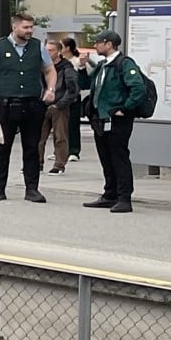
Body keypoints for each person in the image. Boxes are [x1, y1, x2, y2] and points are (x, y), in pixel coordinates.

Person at [0, 10, 56, 203]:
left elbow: (50, 70)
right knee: (3, 146)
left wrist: (51, 89)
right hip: (6, 103)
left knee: (32, 147)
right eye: (25, 27)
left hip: (32, 103)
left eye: (31, 27)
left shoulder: (38, 47)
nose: (29, 31)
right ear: (14, 27)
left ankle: (32, 189)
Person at [86, 30, 150, 213]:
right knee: (105, 157)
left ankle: (124, 198)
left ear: (109, 44)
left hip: (117, 119)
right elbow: (90, 84)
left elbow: (138, 88)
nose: (95, 45)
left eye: (98, 42)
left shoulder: (124, 63)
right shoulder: (103, 65)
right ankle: (109, 194)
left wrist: (126, 108)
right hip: (101, 118)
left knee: (119, 157)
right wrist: (83, 69)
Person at [43, 39, 80, 174]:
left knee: (60, 137)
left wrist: (60, 104)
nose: (47, 52)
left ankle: (59, 165)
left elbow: (72, 89)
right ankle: (37, 164)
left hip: (59, 106)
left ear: (59, 52)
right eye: (46, 50)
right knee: (38, 137)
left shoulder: (67, 68)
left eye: (51, 50)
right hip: (43, 105)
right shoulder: (42, 66)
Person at [62, 37, 88, 162]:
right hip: (60, 96)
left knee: (72, 124)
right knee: (60, 125)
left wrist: (82, 67)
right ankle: (60, 150)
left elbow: (83, 81)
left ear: (67, 48)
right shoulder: (58, 61)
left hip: (73, 97)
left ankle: (74, 150)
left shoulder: (76, 62)